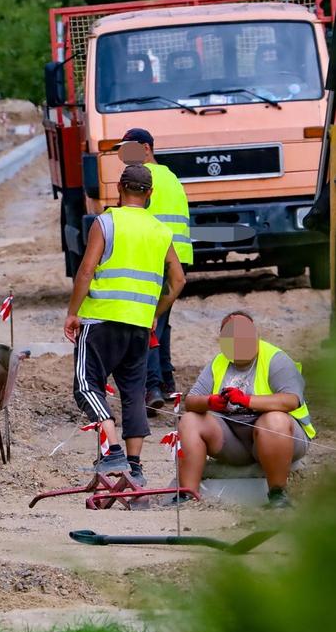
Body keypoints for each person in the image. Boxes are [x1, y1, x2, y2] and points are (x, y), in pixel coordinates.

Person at [64, 164, 186, 484]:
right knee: (134, 392)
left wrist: (72, 312)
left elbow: (86, 270)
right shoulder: (160, 231)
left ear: (119, 188)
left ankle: (113, 451)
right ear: (150, 194)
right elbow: (178, 280)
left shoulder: (106, 222)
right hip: (139, 326)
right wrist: (155, 312)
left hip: (101, 319)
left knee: (87, 386)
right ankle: (135, 466)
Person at [177, 311, 314, 509]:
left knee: (273, 420)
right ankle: (187, 496)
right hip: (235, 442)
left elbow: (291, 400)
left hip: (284, 438)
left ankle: (278, 495)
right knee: (190, 420)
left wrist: (246, 400)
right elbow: (191, 401)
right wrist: (210, 402)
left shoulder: (276, 359)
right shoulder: (218, 362)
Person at [115, 128, 193, 415]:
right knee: (161, 323)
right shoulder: (172, 178)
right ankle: (166, 382)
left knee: (144, 325)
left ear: (146, 148)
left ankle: (152, 388)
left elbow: (134, 221)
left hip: (152, 259)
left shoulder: (141, 180)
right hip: (177, 260)